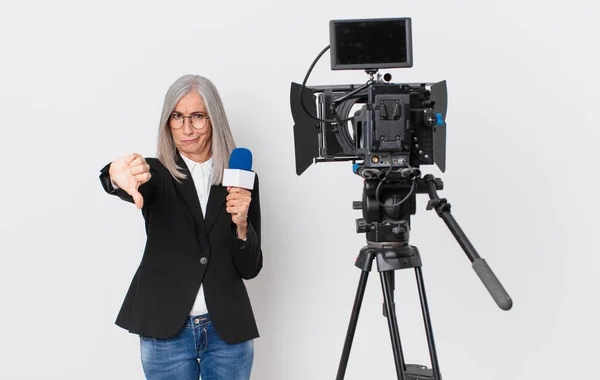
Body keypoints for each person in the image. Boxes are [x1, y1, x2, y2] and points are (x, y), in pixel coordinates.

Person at [98, 74, 263, 380]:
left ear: (214, 120)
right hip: (165, 329)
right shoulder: (154, 174)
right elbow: (127, 183)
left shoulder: (240, 177)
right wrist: (114, 175)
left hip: (226, 330)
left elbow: (250, 268)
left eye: (197, 117)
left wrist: (241, 226)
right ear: (167, 122)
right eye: (177, 117)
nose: (187, 128)